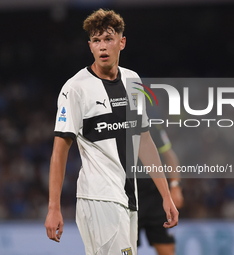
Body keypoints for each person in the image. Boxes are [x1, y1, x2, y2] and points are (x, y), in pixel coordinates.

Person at [45, 9, 178, 255]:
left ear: (122, 42)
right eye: (96, 40)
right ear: (90, 46)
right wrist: (54, 207)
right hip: (99, 199)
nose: (102, 46)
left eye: (108, 38)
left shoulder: (134, 81)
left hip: (129, 199)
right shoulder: (75, 89)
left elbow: (145, 141)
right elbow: (59, 151)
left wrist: (166, 195)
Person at [137, 125, 184, 255]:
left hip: (155, 198)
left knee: (167, 250)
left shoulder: (151, 126)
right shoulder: (113, 122)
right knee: (127, 249)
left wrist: (175, 187)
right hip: (128, 197)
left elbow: (169, 156)